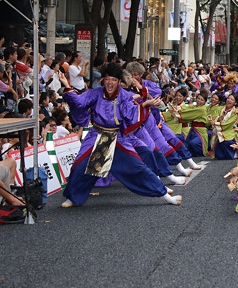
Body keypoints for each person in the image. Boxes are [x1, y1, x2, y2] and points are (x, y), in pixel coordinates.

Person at [58, 63, 183, 207]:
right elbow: (79, 102)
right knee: (80, 165)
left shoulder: (125, 96)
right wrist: (66, 85)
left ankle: (165, 195)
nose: (110, 82)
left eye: (114, 79)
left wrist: (144, 104)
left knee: (138, 167)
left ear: (118, 81)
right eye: (107, 79)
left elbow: (131, 113)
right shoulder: (95, 93)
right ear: (102, 80)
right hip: (96, 135)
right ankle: (73, 198)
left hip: (118, 137)